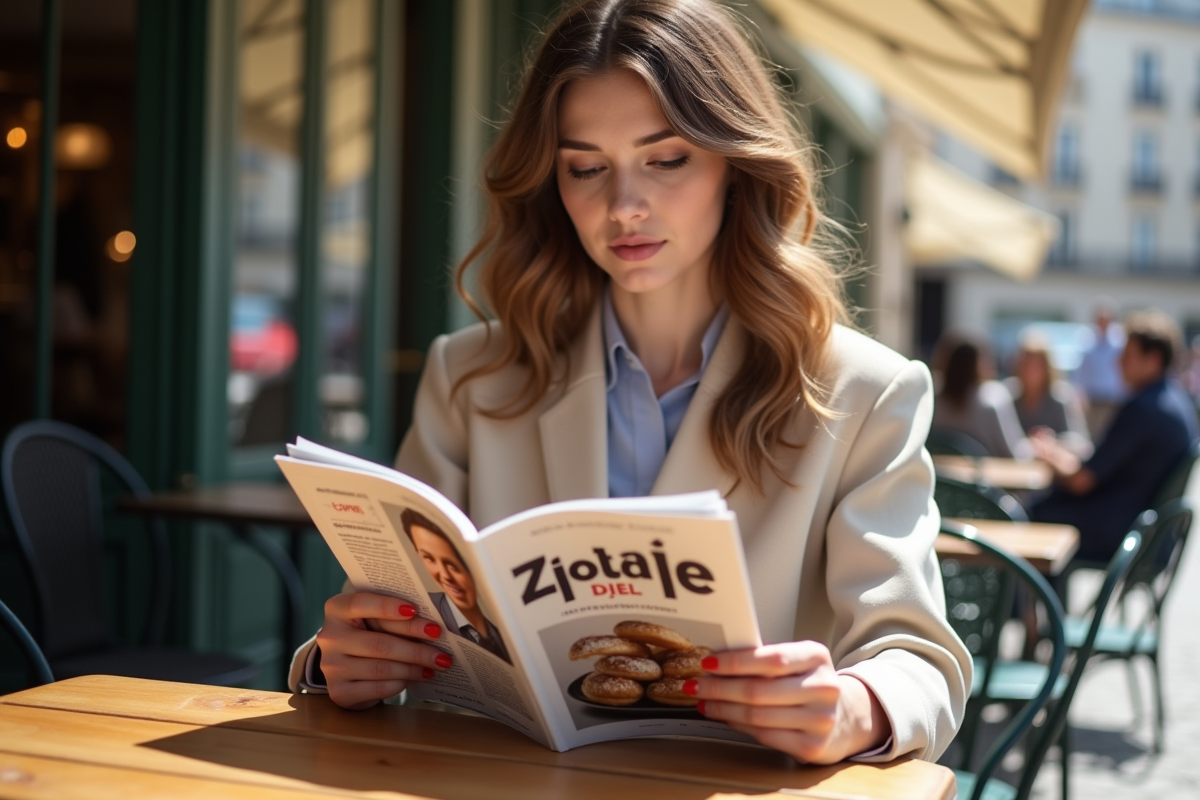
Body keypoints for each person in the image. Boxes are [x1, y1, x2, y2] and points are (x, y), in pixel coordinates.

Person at [291, 0, 969, 765]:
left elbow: (918, 660)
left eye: (666, 159)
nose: (623, 207)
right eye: (585, 168)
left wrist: (853, 707)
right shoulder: (470, 376)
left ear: (735, 166)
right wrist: (344, 659)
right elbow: (381, 619)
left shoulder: (864, 391)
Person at [1032, 310, 1198, 563]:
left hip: (1123, 533)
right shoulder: (1175, 401)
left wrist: (1049, 455)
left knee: (1034, 513)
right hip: (1149, 533)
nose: (1118, 363)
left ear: (1152, 360)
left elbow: (1082, 481)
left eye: (1127, 356)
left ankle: (1026, 591)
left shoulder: (1142, 408)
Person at [400, 508, 511, 664]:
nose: (444, 575)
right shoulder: (417, 609)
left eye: (452, 563)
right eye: (429, 558)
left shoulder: (504, 638)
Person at [930, 331, 1032, 459]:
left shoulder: (933, 398)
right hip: (983, 471)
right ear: (978, 363)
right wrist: (1035, 447)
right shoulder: (993, 398)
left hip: (940, 470)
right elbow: (1014, 453)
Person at [1004, 329, 1092, 460]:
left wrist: (1052, 442)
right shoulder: (1008, 395)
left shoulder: (1062, 397)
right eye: (1027, 364)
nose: (1031, 371)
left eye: (1037, 365)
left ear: (1047, 368)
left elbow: (1082, 444)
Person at [1073, 298, 1126, 435]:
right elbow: (1080, 369)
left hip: (1113, 398)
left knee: (1112, 432)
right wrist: (1079, 394)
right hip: (1093, 398)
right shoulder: (1087, 339)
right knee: (1093, 432)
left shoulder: (1119, 340)